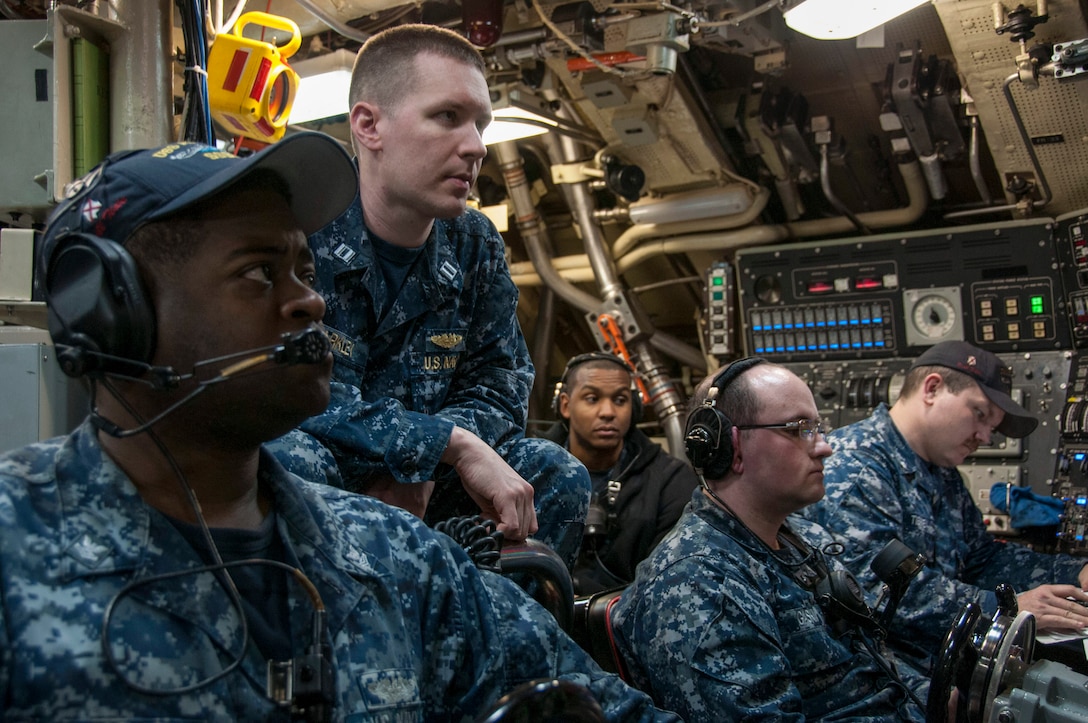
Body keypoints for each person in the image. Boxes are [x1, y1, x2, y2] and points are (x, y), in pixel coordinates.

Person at [0, 133, 678, 721]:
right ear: (113, 315)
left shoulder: (394, 558)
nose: (312, 299)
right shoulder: (16, 549)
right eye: (259, 272)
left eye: (304, 267)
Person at [269, 23, 589, 566]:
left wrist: (435, 459)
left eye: (481, 125)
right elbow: (297, 392)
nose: (476, 147)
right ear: (369, 126)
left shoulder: (474, 243)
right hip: (334, 468)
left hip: (435, 481)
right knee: (284, 459)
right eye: (447, 117)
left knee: (552, 472)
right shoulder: (300, 229)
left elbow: (501, 383)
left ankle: (491, 638)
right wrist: (440, 444)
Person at [612, 358, 926, 721]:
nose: (825, 447)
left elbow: (875, 665)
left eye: (818, 428)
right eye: (799, 429)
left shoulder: (799, 541)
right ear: (730, 446)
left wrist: (937, 699)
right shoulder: (700, 582)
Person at [803, 339, 1088, 673]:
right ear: (933, 389)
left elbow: (982, 560)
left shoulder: (940, 471)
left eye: (992, 427)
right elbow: (880, 596)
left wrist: (1074, 573)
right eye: (980, 415)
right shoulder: (856, 468)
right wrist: (1004, 607)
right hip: (885, 676)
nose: (985, 436)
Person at [543, 352, 699, 594]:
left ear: (633, 407)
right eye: (592, 398)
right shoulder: (530, 473)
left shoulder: (672, 481)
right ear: (565, 405)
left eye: (620, 400)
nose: (607, 412)